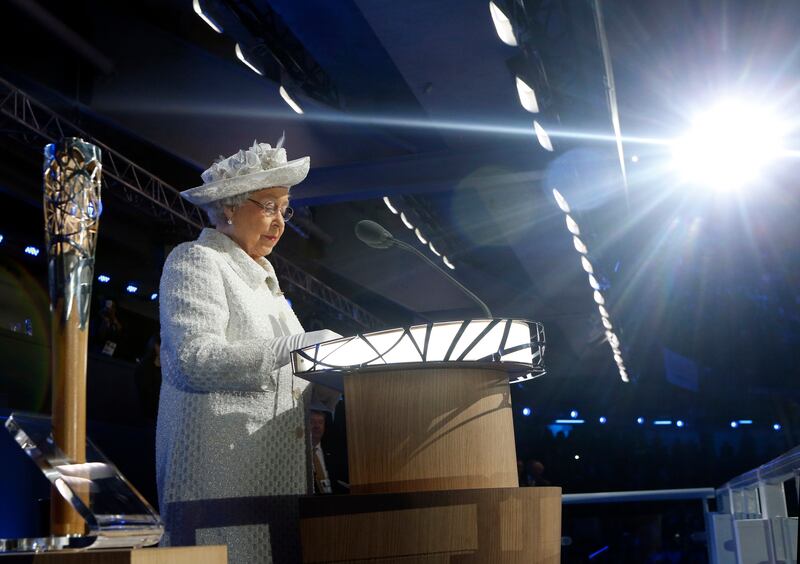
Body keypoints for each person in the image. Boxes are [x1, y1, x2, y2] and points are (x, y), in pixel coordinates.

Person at [156, 138, 341, 563]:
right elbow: (194, 362)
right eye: (269, 206)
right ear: (228, 208)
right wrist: (300, 347)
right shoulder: (197, 260)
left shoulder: (270, 287)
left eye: (285, 209)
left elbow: (291, 372)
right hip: (220, 477)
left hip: (275, 481)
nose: (280, 221)